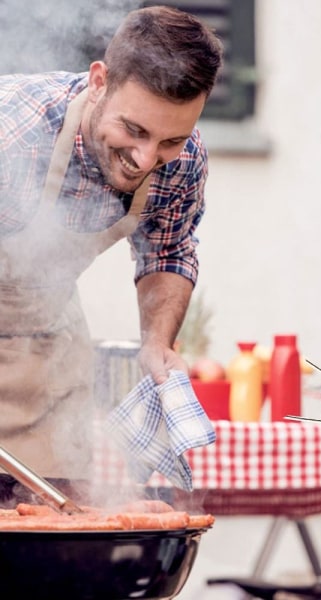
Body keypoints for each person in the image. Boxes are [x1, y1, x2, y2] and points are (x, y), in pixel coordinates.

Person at [0, 5, 223, 480]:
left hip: (48, 366)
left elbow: (168, 250)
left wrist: (157, 341)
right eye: (135, 130)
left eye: (170, 140)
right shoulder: (12, 131)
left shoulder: (182, 164)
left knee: (47, 537)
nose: (146, 159)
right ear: (99, 81)